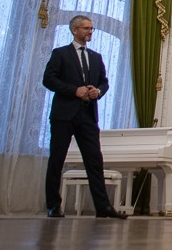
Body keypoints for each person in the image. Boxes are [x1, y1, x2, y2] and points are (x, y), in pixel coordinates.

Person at [43, 15, 127, 219]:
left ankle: (103, 208)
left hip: (88, 115)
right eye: (86, 28)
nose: (90, 32)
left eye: (92, 28)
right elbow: (48, 80)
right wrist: (74, 91)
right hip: (64, 115)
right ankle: (53, 206)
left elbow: (104, 82)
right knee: (57, 160)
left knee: (95, 161)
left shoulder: (96, 57)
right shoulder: (60, 53)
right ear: (75, 30)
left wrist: (98, 91)